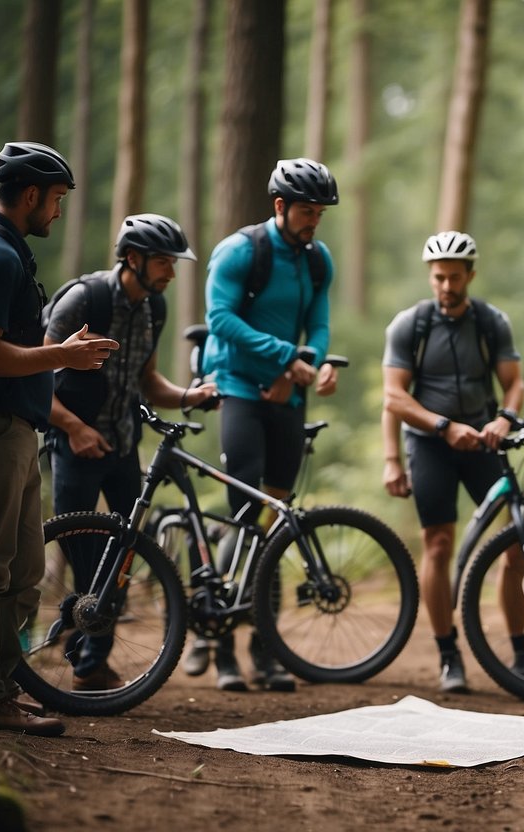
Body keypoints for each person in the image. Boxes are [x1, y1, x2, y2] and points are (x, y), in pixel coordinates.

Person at [0, 141, 120, 736]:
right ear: (31, 194)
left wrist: (58, 356)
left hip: (12, 426)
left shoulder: (2, 252)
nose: (57, 212)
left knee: (12, 569)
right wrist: (63, 355)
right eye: (56, 199)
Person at [44, 213, 217, 691]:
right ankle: (83, 656)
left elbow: (147, 381)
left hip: (122, 447)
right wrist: (75, 428)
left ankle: (85, 661)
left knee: (121, 558)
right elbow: (37, 377)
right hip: (74, 445)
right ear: (134, 258)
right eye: (164, 262)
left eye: (174, 263)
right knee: (85, 555)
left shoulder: (152, 309)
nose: (172, 273)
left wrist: (189, 396)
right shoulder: (85, 300)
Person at [193, 158, 341, 692]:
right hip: (237, 386)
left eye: (320, 213)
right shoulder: (240, 251)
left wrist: (314, 363)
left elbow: (319, 324)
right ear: (280, 206)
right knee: (246, 510)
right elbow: (221, 321)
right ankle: (224, 648)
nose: (314, 221)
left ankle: (266, 648)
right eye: (307, 211)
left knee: (278, 521)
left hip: (286, 395)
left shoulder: (317, 259)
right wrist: (285, 359)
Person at [382, 231, 524, 693]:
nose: (446, 285)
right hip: (431, 444)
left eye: (455, 277)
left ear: (471, 275)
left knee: (514, 543)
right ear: (431, 276)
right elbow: (394, 397)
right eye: (439, 277)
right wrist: (440, 429)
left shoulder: (490, 322)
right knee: (438, 544)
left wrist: (505, 420)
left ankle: (520, 653)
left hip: (482, 438)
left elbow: (514, 383)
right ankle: (449, 655)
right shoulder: (410, 325)